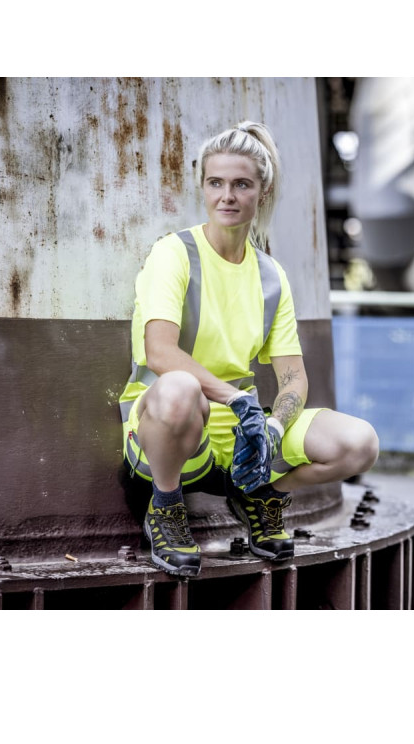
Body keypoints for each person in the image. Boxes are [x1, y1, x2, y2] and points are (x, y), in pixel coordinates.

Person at [118, 121, 379, 577]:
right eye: (215, 183)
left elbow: (294, 378)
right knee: (179, 388)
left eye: (241, 184)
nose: (227, 196)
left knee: (360, 443)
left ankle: (259, 494)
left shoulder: (271, 275)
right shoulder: (173, 254)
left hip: (243, 432)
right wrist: (239, 400)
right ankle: (166, 505)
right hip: (172, 422)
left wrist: (274, 426)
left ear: (263, 190)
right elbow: (159, 353)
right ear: (202, 186)